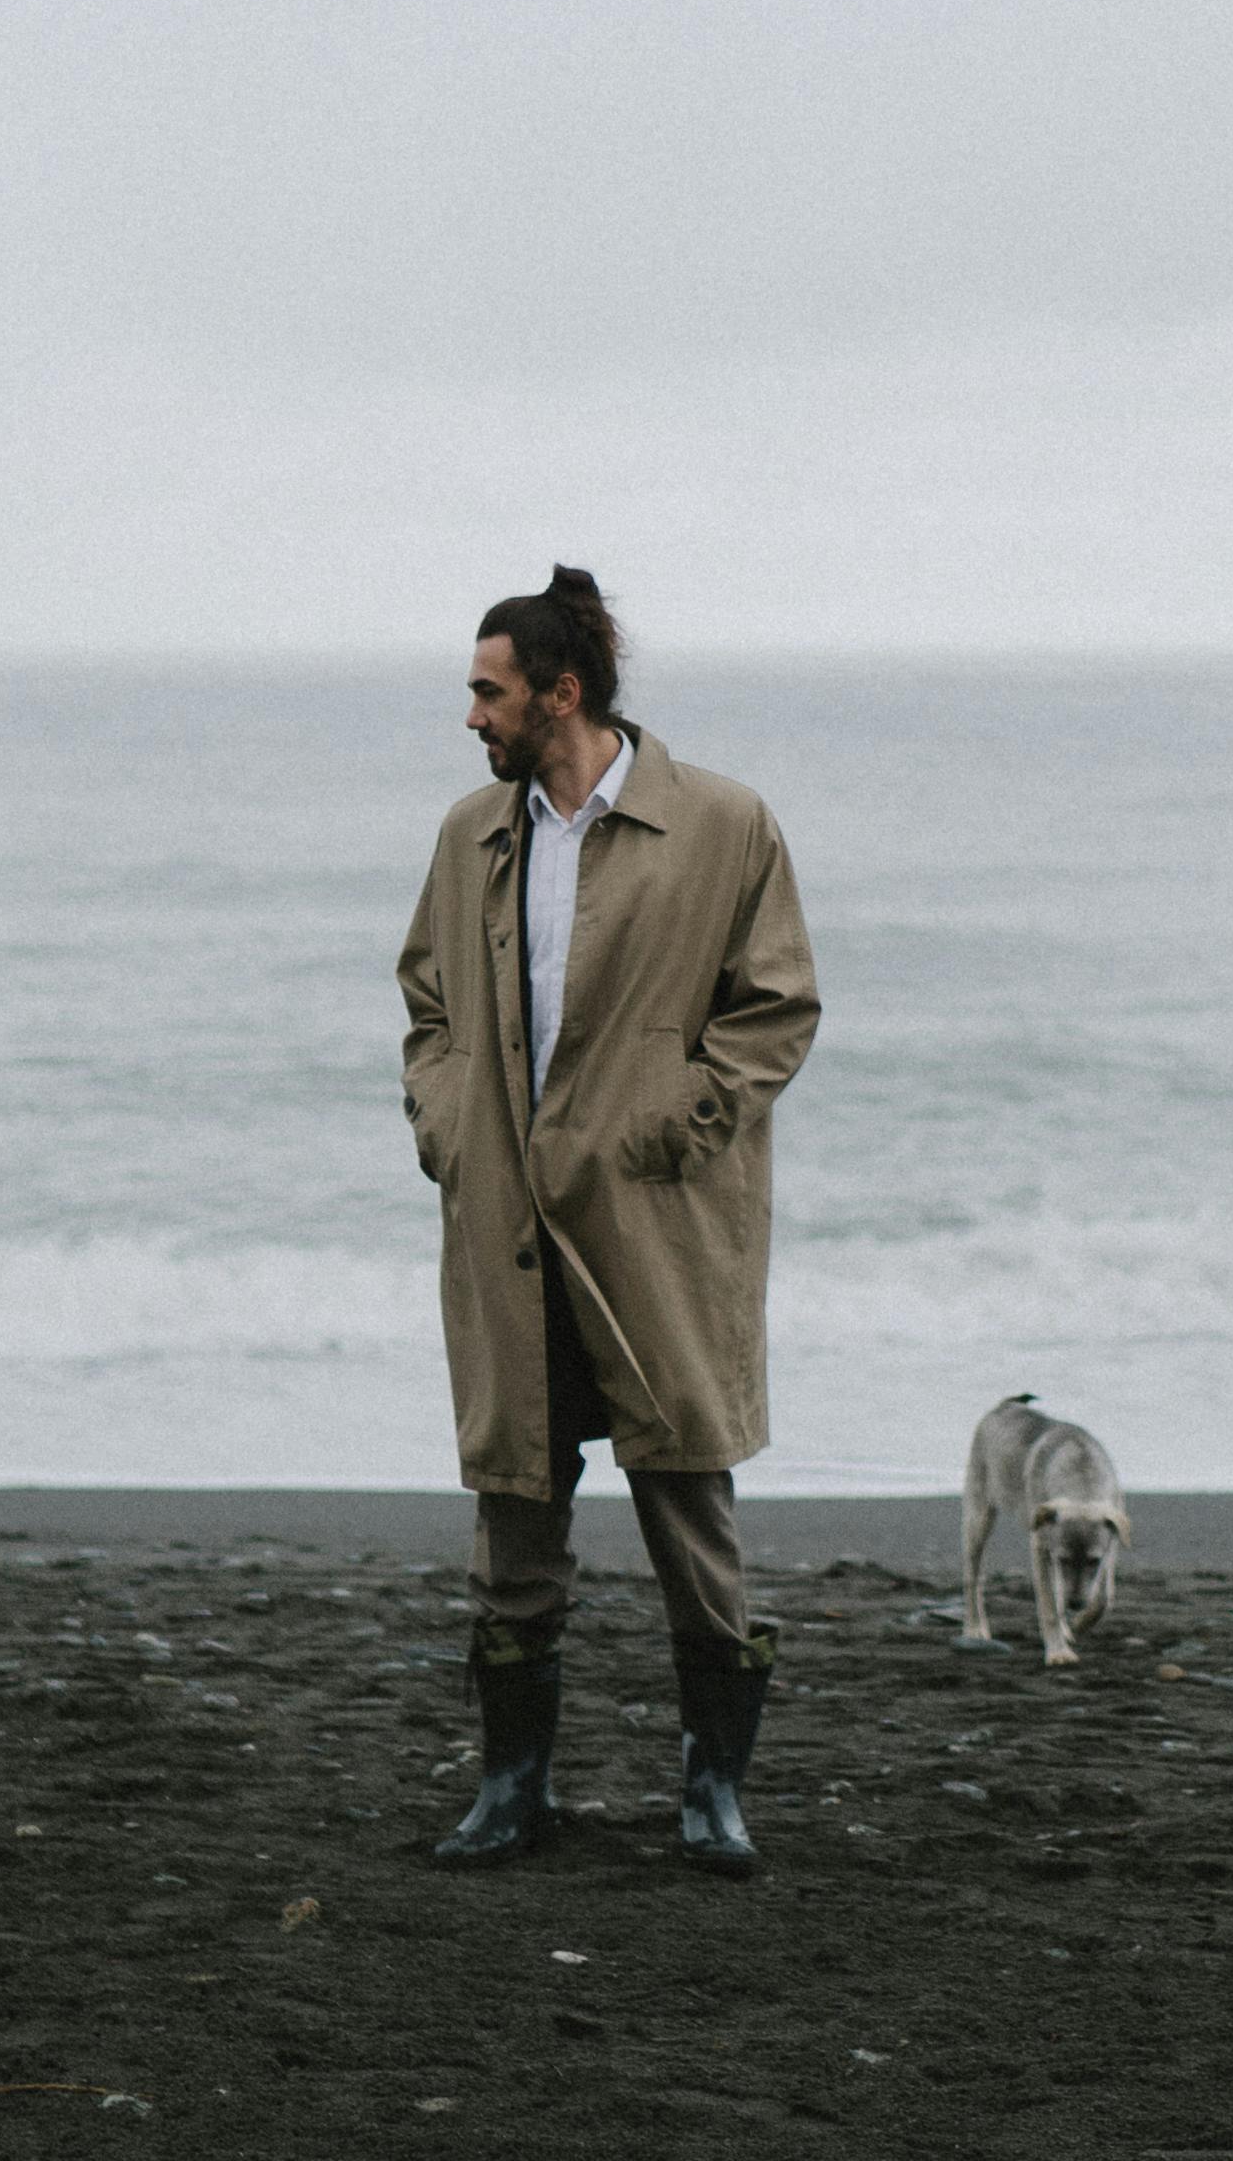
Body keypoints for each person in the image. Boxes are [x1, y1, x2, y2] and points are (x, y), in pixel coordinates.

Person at [393, 565, 820, 1875]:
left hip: (656, 1231)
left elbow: (775, 1013)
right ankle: (511, 1792)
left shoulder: (724, 826)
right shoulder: (472, 834)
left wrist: (666, 1131)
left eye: (489, 691)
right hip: (506, 1229)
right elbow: (429, 1006)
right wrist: (449, 1126)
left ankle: (714, 1796)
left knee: (688, 1499)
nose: (471, 716)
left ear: (559, 694)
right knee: (514, 1506)